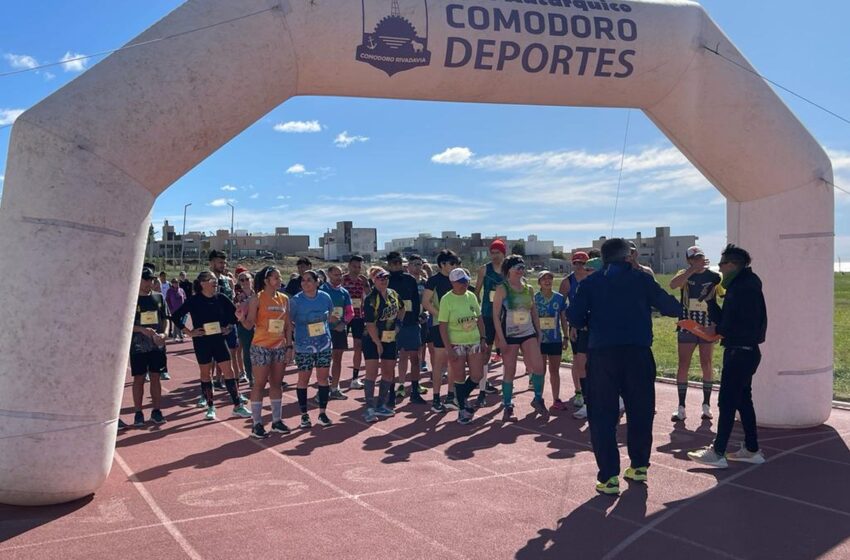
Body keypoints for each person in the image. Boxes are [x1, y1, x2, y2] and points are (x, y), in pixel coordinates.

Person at [568, 238, 681, 495]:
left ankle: (609, 478)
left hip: (603, 356)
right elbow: (671, 307)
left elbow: (573, 316)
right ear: (628, 257)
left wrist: (591, 319)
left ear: (603, 259)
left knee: (603, 415)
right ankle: (639, 466)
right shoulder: (642, 280)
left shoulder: (590, 283)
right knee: (640, 411)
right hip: (638, 355)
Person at [688, 244, 768, 468]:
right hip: (748, 350)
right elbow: (728, 323)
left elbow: (724, 326)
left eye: (722, 263)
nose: (720, 268)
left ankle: (718, 451)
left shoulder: (740, 289)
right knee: (743, 400)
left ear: (733, 264)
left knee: (727, 400)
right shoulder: (747, 285)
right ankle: (752, 449)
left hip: (738, 352)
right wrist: (712, 302)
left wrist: (712, 303)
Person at [171, 271, 252, 421]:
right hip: (202, 341)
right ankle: (210, 407)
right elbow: (175, 316)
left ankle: (237, 406)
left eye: (215, 280)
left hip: (219, 340)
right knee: (206, 374)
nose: (215, 282)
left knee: (229, 371)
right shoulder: (194, 300)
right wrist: (189, 332)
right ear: (202, 283)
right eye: (211, 280)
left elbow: (235, 314)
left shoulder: (221, 298)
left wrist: (228, 327)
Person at [669, 246, 723, 422]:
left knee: (706, 363)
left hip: (707, 324)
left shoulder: (715, 276)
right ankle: (681, 407)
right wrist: (691, 270)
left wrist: (717, 322)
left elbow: (722, 294)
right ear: (689, 260)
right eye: (694, 258)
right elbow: (673, 285)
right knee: (683, 363)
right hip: (688, 324)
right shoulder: (684, 273)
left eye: (700, 256)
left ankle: (706, 405)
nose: (698, 260)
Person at [492, 254, 547, 419]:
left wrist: (539, 332)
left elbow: (534, 312)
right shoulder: (503, 288)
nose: (521, 271)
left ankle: (538, 399)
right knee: (510, 370)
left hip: (528, 332)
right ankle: (508, 405)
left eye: (523, 268)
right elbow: (496, 316)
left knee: (538, 367)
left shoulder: (529, 288)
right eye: (518, 268)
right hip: (510, 334)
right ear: (509, 270)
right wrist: (500, 339)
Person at [241, 266, 293, 438]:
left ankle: (277, 421)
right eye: (275, 278)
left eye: (279, 278)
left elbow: (287, 325)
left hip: (279, 347)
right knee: (260, 384)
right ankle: (256, 423)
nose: (279, 281)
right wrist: (240, 317)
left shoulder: (284, 299)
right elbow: (249, 324)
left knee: (277, 384)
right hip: (261, 346)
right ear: (266, 281)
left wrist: (289, 346)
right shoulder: (257, 299)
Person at [439, 268, 488, 424]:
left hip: (473, 340)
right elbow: (442, 326)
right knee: (459, 376)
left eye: (466, 281)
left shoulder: (471, 296)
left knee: (477, 375)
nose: (464, 284)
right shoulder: (447, 299)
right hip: (456, 343)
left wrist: (483, 337)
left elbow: (479, 318)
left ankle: (461, 398)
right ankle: (462, 410)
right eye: (460, 282)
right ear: (452, 282)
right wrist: (448, 349)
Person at [123, 268, 168, 428]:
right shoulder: (131, 300)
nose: (149, 282)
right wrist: (141, 329)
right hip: (138, 347)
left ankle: (156, 411)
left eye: (151, 279)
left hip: (156, 346)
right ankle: (138, 413)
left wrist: (164, 334)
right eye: (146, 279)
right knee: (139, 378)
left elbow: (165, 319)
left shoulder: (159, 297)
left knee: (156, 377)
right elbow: (125, 324)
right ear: (138, 280)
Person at [289, 270, 334, 428]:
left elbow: (329, 315)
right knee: (303, 380)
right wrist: (290, 343)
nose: (305, 283)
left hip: (323, 344)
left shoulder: (325, 297)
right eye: (303, 280)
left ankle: (322, 413)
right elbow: (290, 321)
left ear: (317, 282)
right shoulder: (295, 301)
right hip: (304, 346)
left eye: (309, 280)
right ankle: (304, 415)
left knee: (323, 379)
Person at [361, 268, 405, 422]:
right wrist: (377, 342)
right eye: (380, 278)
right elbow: (370, 323)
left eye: (386, 277)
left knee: (388, 372)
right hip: (371, 339)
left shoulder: (393, 294)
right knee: (371, 372)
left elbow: (402, 308)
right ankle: (369, 408)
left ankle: (381, 404)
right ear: (373, 280)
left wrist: (398, 324)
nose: (384, 280)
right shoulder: (371, 299)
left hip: (390, 338)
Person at [423, 249, 462, 412]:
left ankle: (451, 397)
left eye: (457, 263)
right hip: (439, 326)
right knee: (439, 363)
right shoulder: (433, 281)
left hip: (457, 327)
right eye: (452, 263)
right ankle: (436, 398)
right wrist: (441, 316)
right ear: (442, 265)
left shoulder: (458, 280)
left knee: (454, 362)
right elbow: (426, 302)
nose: (455, 266)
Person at [387, 252, 427, 405]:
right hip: (392, 326)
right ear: (389, 265)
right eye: (393, 263)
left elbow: (416, 302)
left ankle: (415, 391)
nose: (396, 266)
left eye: (399, 263)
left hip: (411, 324)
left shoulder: (410, 279)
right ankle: (391, 393)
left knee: (415, 358)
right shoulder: (386, 280)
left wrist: (418, 317)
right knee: (391, 360)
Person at [560, 251, 591, 417]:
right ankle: (579, 391)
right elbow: (562, 307)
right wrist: (567, 328)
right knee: (578, 360)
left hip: (593, 325)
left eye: (582, 263)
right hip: (576, 326)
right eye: (576, 263)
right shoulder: (567, 282)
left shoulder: (592, 278)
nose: (579, 266)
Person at [474, 239, 506, 398]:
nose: (494, 256)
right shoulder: (484, 269)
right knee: (486, 349)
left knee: (509, 348)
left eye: (497, 253)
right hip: (488, 313)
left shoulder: (509, 269)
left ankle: (509, 381)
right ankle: (483, 383)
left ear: (503, 253)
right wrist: (477, 309)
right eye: (492, 253)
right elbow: (476, 292)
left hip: (506, 314)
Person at [535, 270, 569, 413]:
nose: (547, 281)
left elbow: (563, 318)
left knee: (554, 370)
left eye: (549, 278)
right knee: (540, 370)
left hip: (555, 339)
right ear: (539, 283)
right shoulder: (534, 298)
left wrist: (566, 336)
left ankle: (556, 399)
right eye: (544, 279)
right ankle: (538, 398)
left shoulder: (559, 298)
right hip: (540, 340)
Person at [320, 265, 355, 400]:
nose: (339, 278)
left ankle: (335, 388)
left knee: (338, 359)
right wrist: (328, 319)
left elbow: (350, 312)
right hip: (325, 330)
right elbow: (318, 310)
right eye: (336, 275)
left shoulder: (344, 292)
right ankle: (322, 389)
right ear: (329, 275)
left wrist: (343, 323)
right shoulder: (322, 290)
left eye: (340, 275)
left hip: (340, 330)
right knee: (324, 360)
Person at [342, 255, 371, 389]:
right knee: (338, 348)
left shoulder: (363, 280)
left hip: (358, 316)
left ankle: (355, 378)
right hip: (344, 316)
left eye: (359, 267)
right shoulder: (343, 279)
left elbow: (369, 296)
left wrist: (367, 286)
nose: (357, 269)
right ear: (349, 266)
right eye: (354, 266)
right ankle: (332, 374)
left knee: (358, 346)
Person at [234, 271, 255, 387]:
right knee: (247, 351)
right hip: (245, 326)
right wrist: (249, 301)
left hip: (259, 326)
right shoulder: (238, 296)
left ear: (251, 279)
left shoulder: (258, 293)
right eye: (242, 280)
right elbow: (239, 311)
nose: (245, 282)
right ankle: (251, 377)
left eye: (247, 279)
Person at [166, 278, 187, 342]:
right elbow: (167, 300)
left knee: (178, 323)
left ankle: (175, 337)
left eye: (177, 282)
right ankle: (180, 337)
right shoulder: (169, 291)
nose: (176, 283)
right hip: (174, 310)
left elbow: (185, 298)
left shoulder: (181, 290)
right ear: (172, 283)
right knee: (178, 323)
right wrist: (170, 308)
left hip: (182, 309)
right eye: (174, 282)